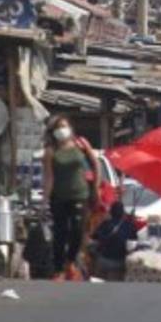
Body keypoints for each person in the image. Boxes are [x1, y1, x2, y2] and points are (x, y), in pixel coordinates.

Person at [43, 115, 99, 278]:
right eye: (58, 128)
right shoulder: (51, 151)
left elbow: (95, 164)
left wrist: (96, 186)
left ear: (70, 128)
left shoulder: (80, 144)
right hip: (59, 197)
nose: (62, 130)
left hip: (80, 194)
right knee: (60, 233)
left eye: (64, 126)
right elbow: (49, 178)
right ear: (53, 132)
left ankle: (70, 261)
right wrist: (44, 201)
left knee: (78, 230)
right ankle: (59, 269)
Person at [90, 201, 138, 281]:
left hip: (103, 261)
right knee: (113, 289)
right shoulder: (130, 225)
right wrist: (131, 222)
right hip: (119, 263)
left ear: (111, 212)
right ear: (123, 213)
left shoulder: (105, 223)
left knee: (98, 288)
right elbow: (133, 244)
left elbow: (94, 237)